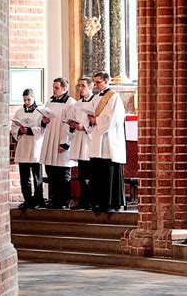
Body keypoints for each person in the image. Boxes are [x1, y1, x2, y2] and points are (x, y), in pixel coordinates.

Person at [88, 71, 126, 213]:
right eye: (95, 82)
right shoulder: (96, 98)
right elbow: (90, 113)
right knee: (97, 171)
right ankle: (98, 202)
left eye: (98, 82)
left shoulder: (114, 97)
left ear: (106, 81)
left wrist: (96, 120)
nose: (96, 85)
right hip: (97, 140)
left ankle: (110, 202)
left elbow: (113, 119)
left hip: (109, 141)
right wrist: (89, 120)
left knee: (108, 171)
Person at [39, 77, 77, 209]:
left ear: (64, 88)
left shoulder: (71, 103)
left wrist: (65, 143)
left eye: (56, 88)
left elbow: (70, 124)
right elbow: (44, 118)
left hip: (61, 139)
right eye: (53, 87)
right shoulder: (50, 100)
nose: (54, 90)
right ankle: (54, 199)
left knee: (62, 173)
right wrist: (44, 120)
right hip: (50, 138)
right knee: (51, 171)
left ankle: (63, 201)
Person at [10, 89, 45, 210]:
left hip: (35, 146)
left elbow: (43, 129)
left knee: (37, 176)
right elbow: (13, 128)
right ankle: (27, 200)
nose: (26, 102)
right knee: (24, 176)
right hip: (23, 146)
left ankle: (38, 199)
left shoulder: (40, 112)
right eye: (24, 100)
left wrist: (29, 130)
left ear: (34, 98)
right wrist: (20, 130)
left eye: (28, 99)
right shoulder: (19, 112)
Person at [67, 77, 95, 210]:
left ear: (91, 87)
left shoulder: (96, 102)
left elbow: (98, 121)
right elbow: (71, 117)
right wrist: (71, 124)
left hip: (89, 141)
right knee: (82, 175)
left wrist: (84, 127)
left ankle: (91, 201)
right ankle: (83, 201)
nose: (80, 88)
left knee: (90, 175)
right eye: (79, 86)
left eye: (83, 86)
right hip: (79, 140)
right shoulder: (77, 104)